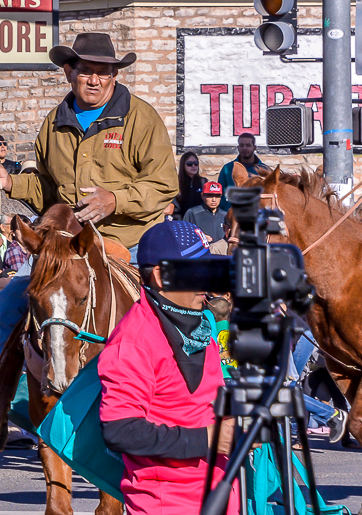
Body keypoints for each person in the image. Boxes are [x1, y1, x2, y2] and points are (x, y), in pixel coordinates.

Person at [0, 32, 178, 452]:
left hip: (123, 240)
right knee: (7, 308)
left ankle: (171, 407)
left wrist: (115, 199)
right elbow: (46, 188)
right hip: (64, 245)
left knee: (167, 314)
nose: (95, 80)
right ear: (69, 72)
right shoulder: (54, 122)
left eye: (104, 72)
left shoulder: (140, 118)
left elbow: (164, 185)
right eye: (86, 72)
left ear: (115, 76)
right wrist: (12, 182)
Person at [98, 221, 236, 515]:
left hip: (221, 494)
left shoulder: (199, 324)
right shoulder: (134, 340)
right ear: (161, 276)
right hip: (169, 504)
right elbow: (120, 430)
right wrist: (208, 440)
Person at [182, 182, 228, 252]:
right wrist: (199, 238)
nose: (214, 200)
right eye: (210, 196)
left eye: (217, 196)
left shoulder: (225, 215)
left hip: (222, 255)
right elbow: (183, 235)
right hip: (201, 254)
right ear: (203, 196)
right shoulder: (193, 213)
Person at [175, 152, 207, 219]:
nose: (193, 166)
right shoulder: (177, 182)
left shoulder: (203, 181)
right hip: (181, 219)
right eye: (189, 164)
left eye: (196, 163)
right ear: (183, 165)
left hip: (198, 219)